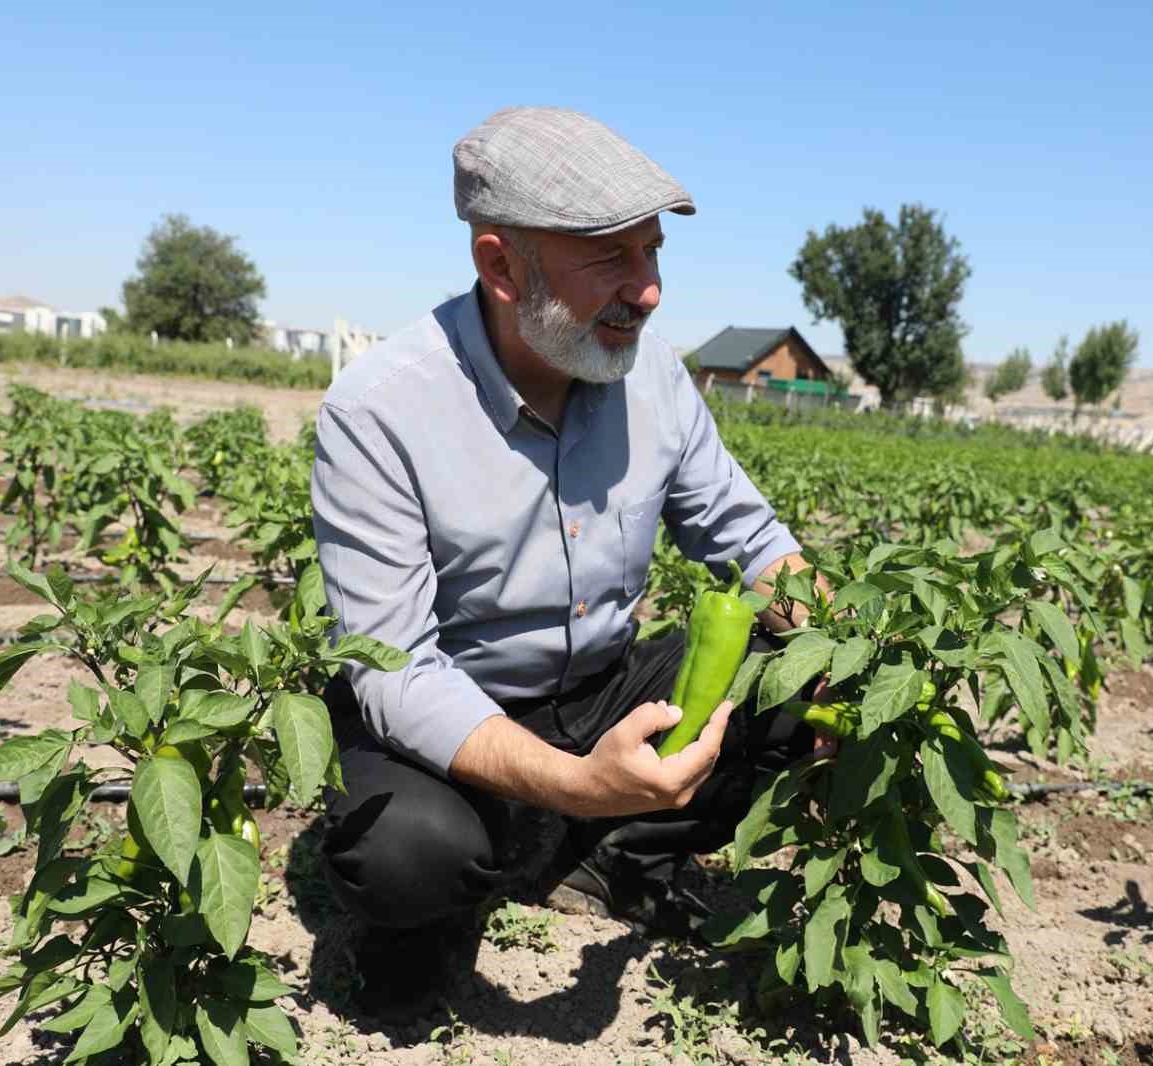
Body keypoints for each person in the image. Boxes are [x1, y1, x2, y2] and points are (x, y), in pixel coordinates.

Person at [310, 106, 829, 1023]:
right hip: (454, 720)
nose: (650, 290)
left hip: (601, 682)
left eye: (653, 254)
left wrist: (857, 650)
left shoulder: (656, 378)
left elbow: (750, 543)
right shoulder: (380, 411)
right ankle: (536, 841)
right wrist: (577, 781)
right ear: (502, 266)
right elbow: (396, 675)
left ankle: (589, 849)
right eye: (611, 258)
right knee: (404, 855)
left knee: (798, 699)